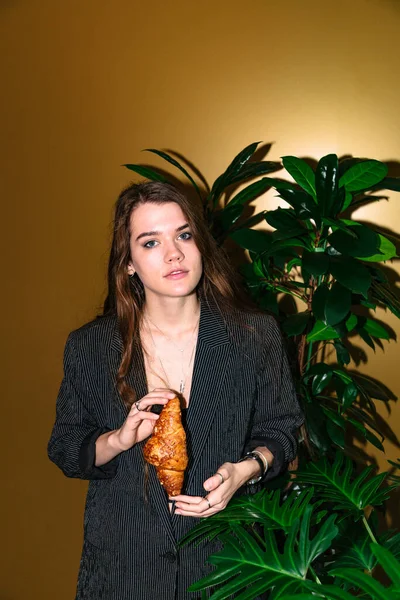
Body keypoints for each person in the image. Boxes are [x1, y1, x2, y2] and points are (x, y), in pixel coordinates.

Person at [48, 181, 304, 600]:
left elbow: (281, 431)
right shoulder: (90, 346)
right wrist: (117, 439)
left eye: (184, 235)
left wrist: (246, 469)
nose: (174, 254)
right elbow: (65, 446)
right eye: (150, 242)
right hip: (124, 570)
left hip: (226, 567)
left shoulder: (254, 334)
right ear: (128, 262)